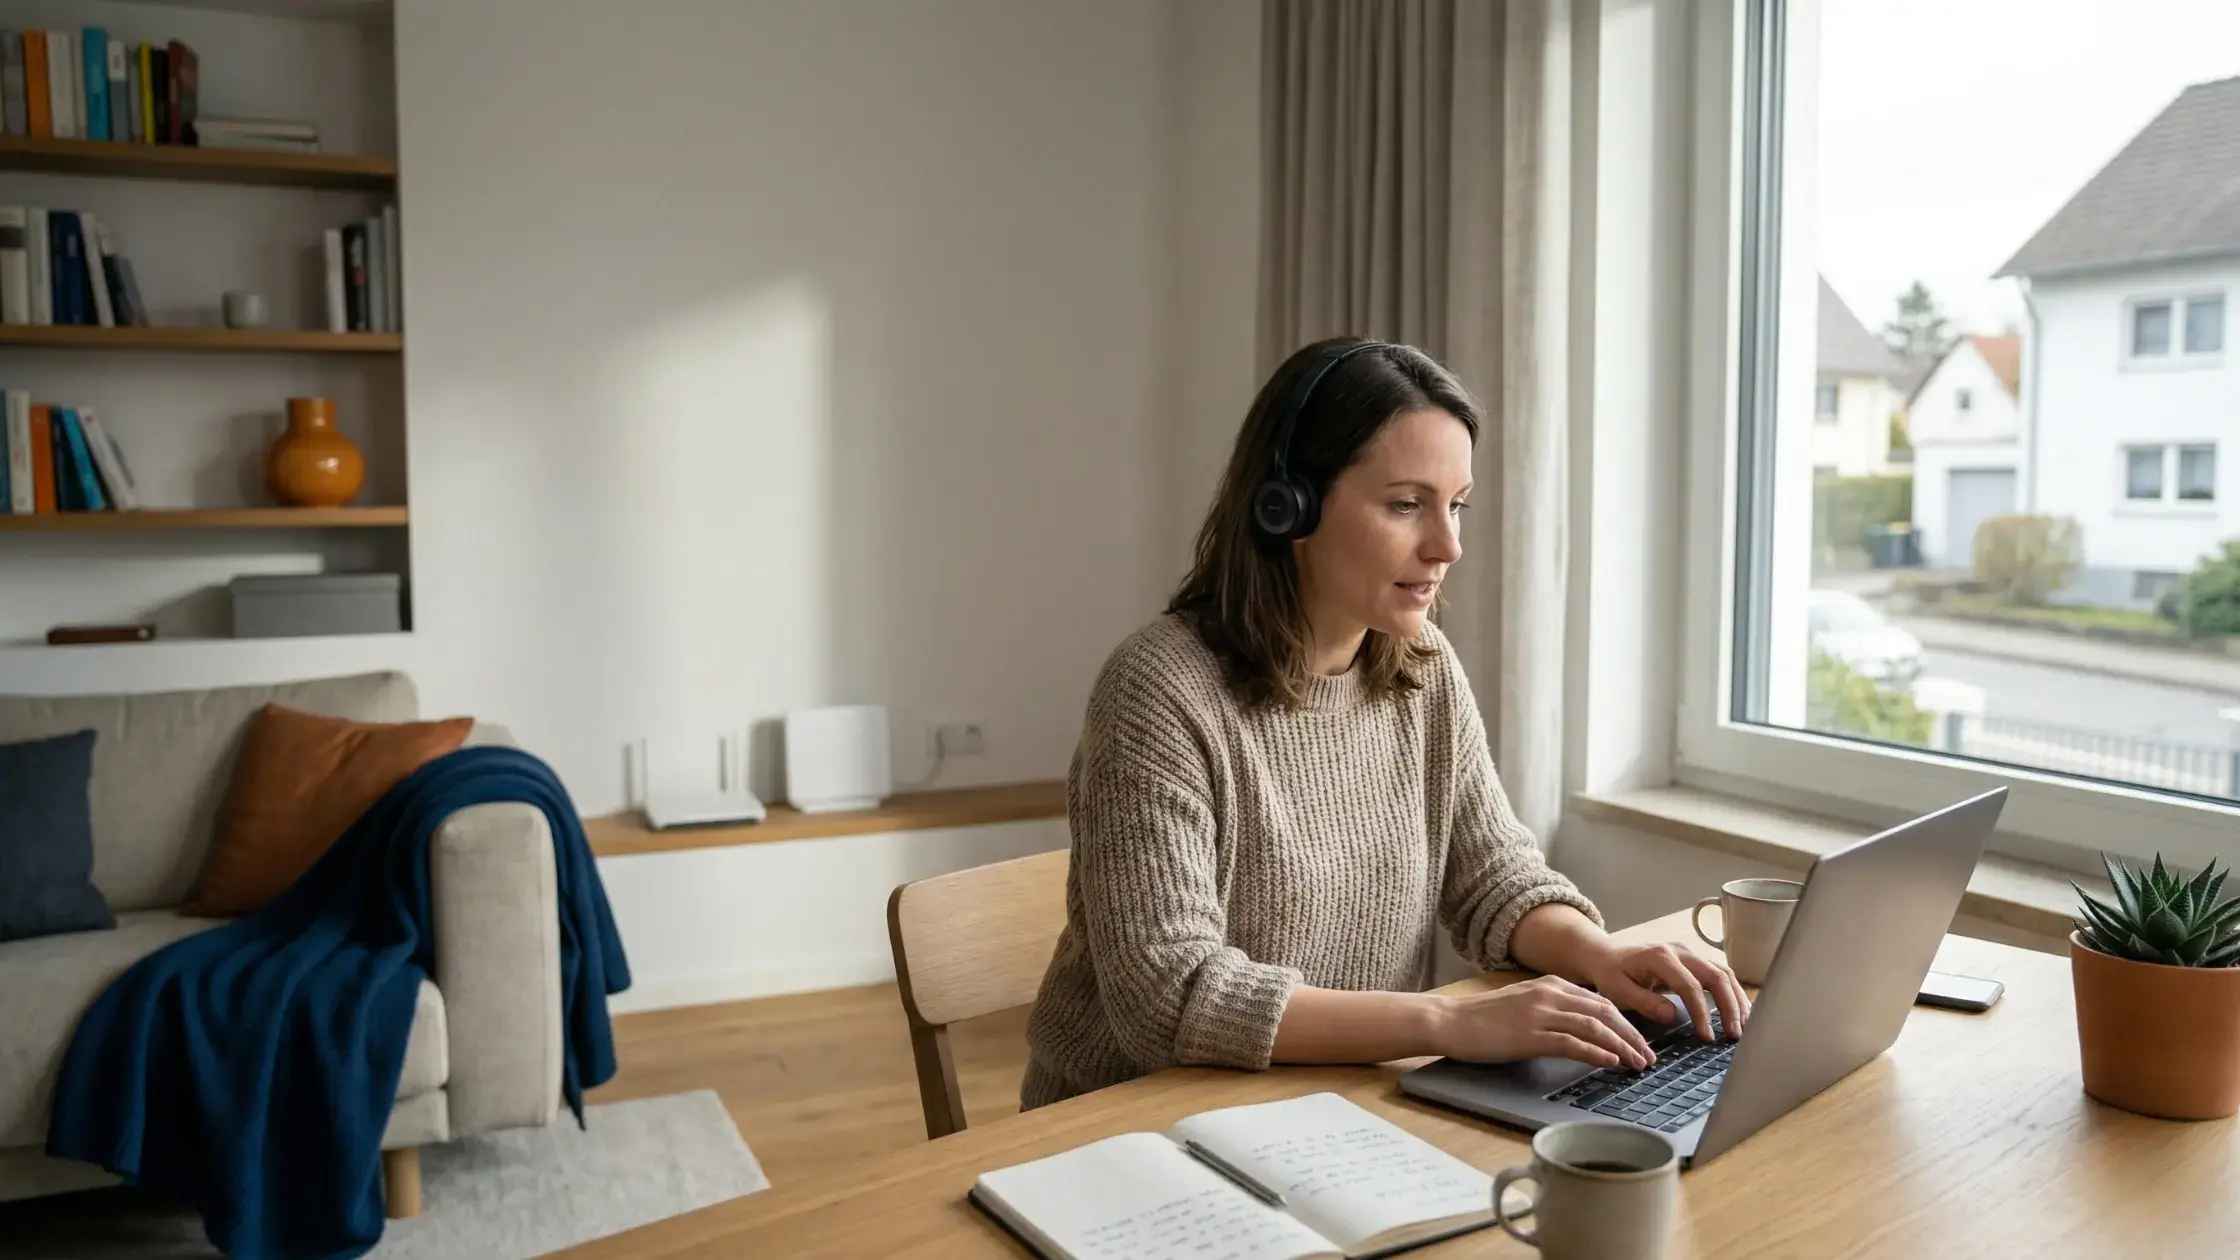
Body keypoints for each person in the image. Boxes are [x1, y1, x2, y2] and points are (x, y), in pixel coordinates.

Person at [1020, 338, 1749, 1110]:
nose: (1448, 546)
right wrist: (1449, 1023)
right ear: (1287, 505)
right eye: (1407, 504)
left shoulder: (1418, 664)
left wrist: (1601, 957)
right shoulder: (1158, 691)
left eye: (1456, 505)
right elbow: (1169, 997)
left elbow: (1493, 875)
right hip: (1129, 1124)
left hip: (1336, 1105)